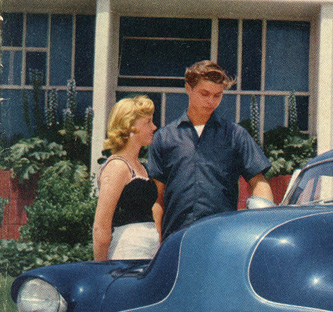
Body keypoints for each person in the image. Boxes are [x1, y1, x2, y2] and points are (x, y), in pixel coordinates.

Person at [147, 60, 273, 240]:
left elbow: (259, 182)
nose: (211, 101)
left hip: (222, 238)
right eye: (204, 94)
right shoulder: (164, 137)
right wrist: (157, 240)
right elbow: (157, 198)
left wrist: (262, 226)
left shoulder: (236, 135)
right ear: (188, 88)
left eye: (217, 95)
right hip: (175, 239)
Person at [93, 95, 160, 260]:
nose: (154, 127)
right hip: (126, 253)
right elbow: (101, 227)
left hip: (149, 252)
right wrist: (101, 270)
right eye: (147, 123)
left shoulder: (141, 167)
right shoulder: (117, 167)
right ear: (129, 127)